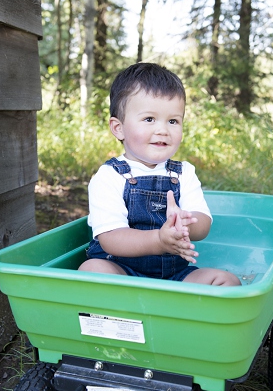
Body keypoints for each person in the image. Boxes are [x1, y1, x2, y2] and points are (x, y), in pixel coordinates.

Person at [78, 62, 240, 286]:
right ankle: (129, 313)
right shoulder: (109, 177)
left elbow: (203, 224)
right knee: (91, 270)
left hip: (173, 276)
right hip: (122, 273)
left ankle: (178, 313)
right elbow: (111, 239)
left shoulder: (183, 173)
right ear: (118, 128)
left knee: (226, 281)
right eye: (149, 119)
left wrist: (185, 224)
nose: (162, 129)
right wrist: (158, 240)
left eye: (173, 121)